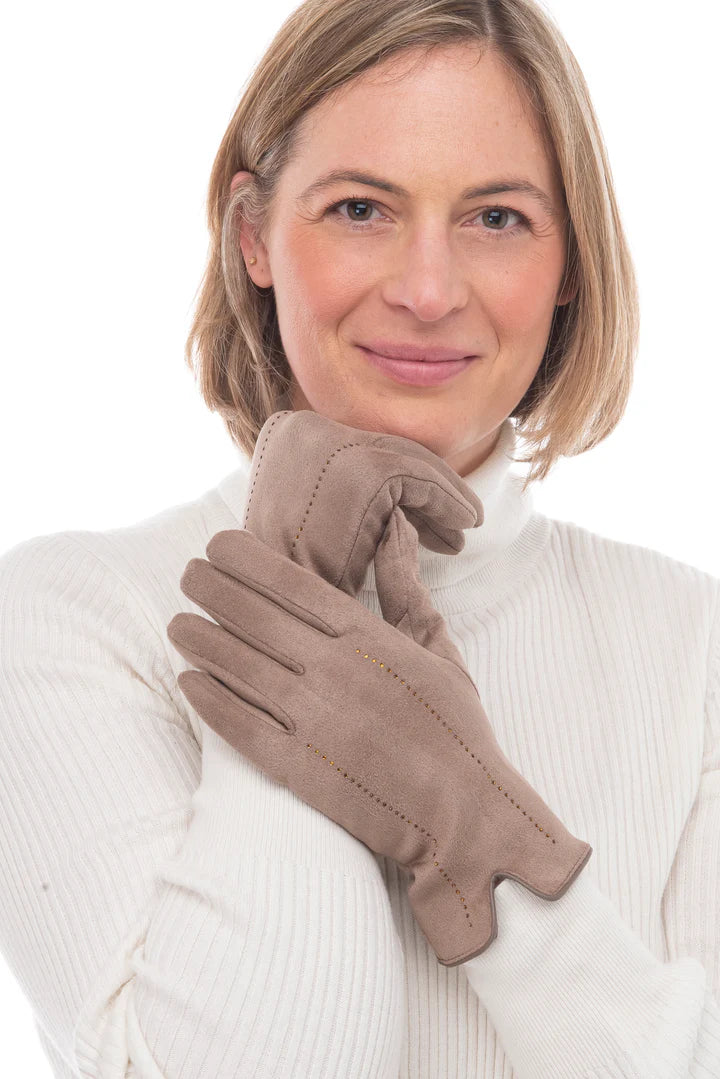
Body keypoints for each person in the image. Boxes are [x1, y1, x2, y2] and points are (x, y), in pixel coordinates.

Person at [0, 0, 718, 1075]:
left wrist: (479, 837)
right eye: (360, 208)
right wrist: (298, 574)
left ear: (571, 259)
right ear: (253, 235)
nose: (427, 291)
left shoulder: (695, 646)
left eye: (497, 218)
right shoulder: (75, 619)